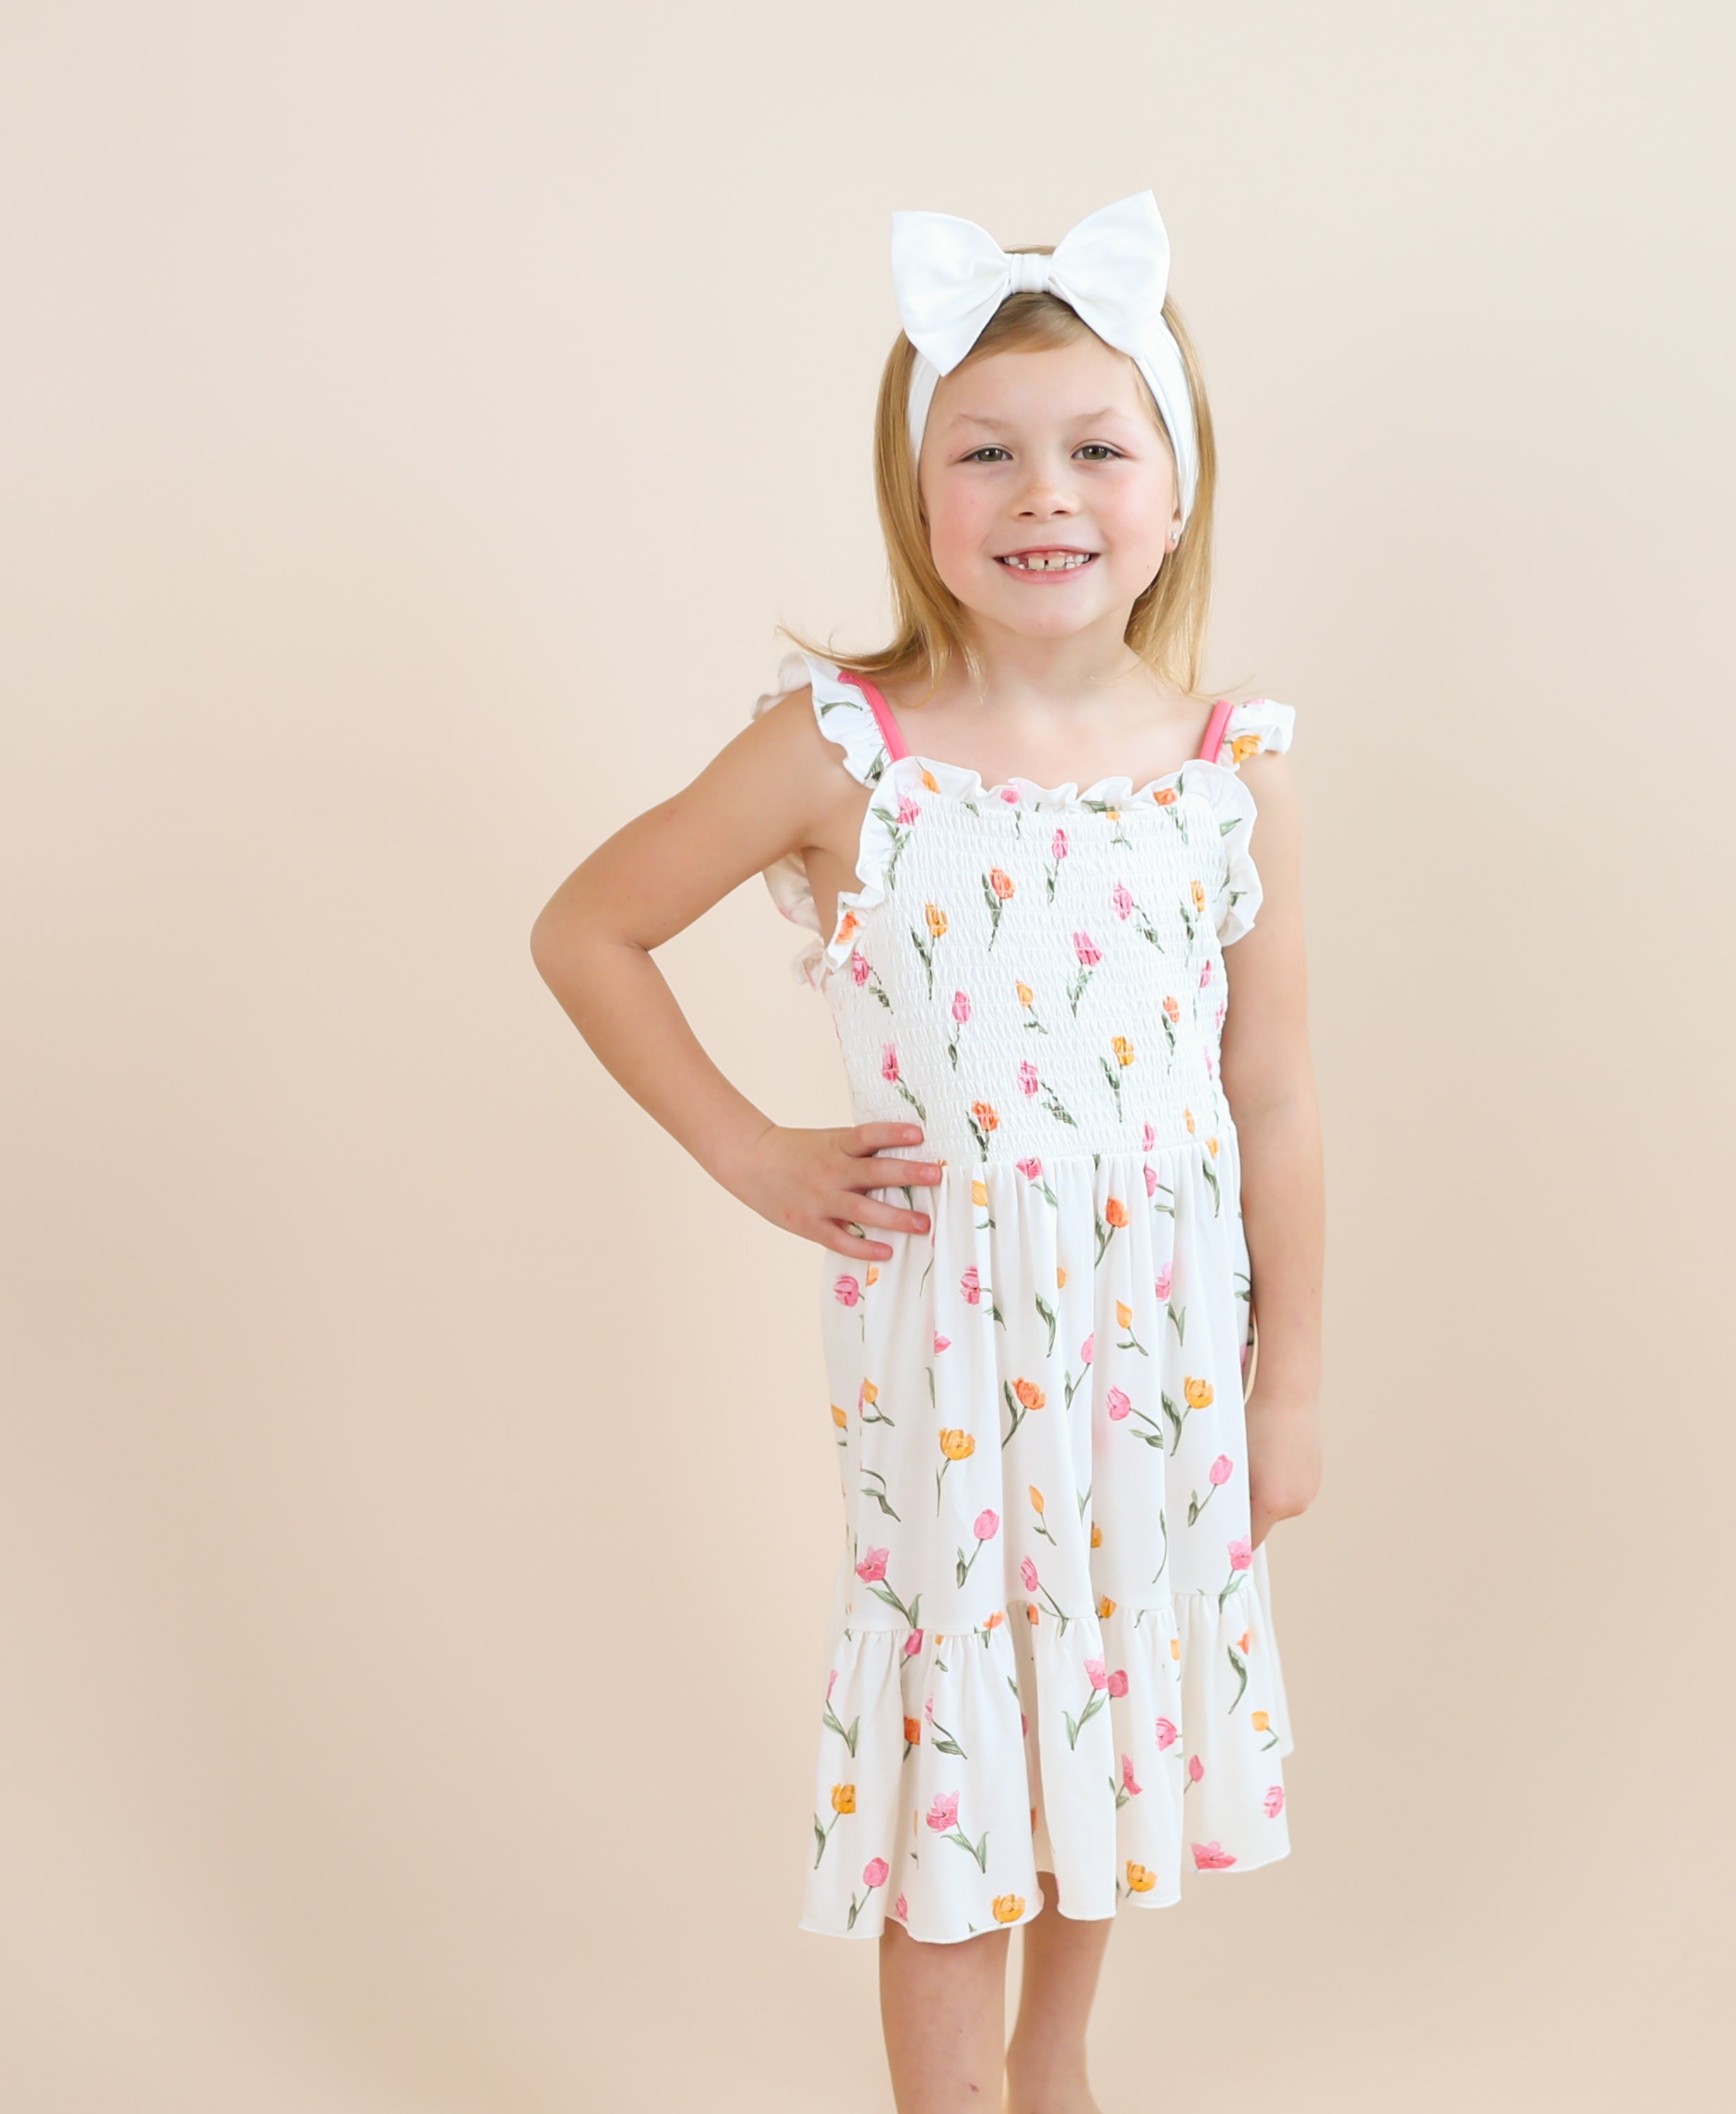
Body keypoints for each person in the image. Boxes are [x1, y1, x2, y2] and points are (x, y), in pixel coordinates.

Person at [530, 190, 1324, 2114]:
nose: (1043, 492)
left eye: (1094, 447)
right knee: (972, 1729)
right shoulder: (847, 753)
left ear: (1173, 487)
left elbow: (1277, 1094)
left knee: (1108, 1718)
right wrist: (751, 1152)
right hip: (957, 1356)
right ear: (922, 495)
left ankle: (1057, 2072)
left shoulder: (1227, 771)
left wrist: (1285, 1378)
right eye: (987, 452)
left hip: (1157, 1353)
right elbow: (590, 928)